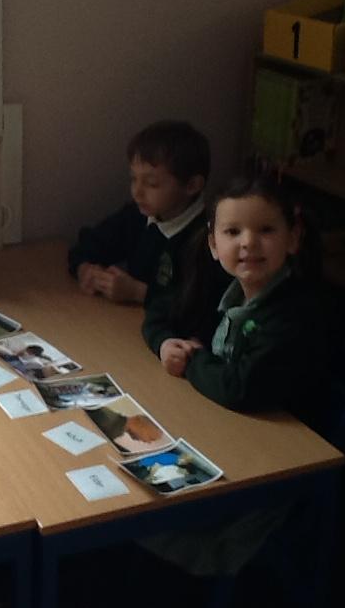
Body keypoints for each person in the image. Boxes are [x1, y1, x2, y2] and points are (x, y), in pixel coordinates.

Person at [149, 169, 326, 418]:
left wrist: (192, 360)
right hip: (223, 416)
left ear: (292, 238)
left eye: (266, 230)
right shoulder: (221, 283)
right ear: (213, 244)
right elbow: (158, 311)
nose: (249, 242)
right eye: (233, 231)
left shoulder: (293, 314)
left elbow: (238, 389)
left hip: (274, 429)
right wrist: (165, 344)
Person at [67, 120, 210, 304]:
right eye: (133, 179)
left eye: (151, 183)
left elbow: (201, 305)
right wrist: (85, 269)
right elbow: (88, 245)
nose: (137, 192)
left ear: (192, 185)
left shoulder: (208, 239)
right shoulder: (138, 216)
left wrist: (139, 293)